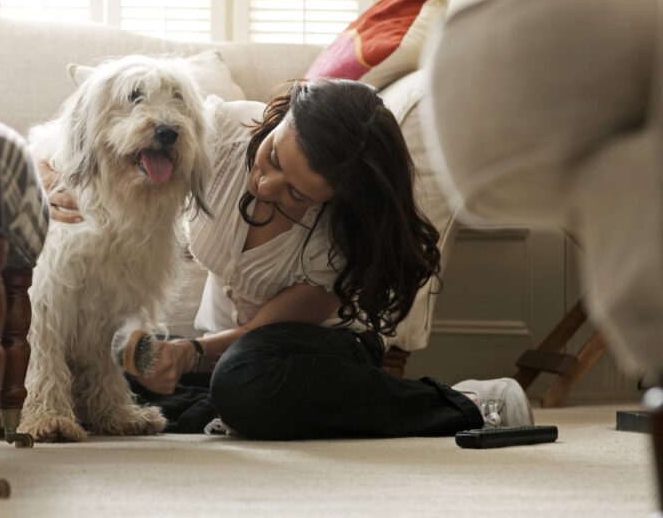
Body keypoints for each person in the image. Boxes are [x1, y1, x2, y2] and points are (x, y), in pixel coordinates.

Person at [42, 78, 534, 439]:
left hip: (304, 353)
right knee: (117, 358)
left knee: (244, 379)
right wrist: (44, 181)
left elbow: (264, 334)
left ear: (334, 199)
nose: (265, 184)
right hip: (221, 351)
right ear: (278, 123)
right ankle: (239, 412)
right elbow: (84, 135)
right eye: (274, 157)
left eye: (296, 193)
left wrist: (189, 354)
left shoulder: (338, 239)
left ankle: (466, 402)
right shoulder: (219, 130)